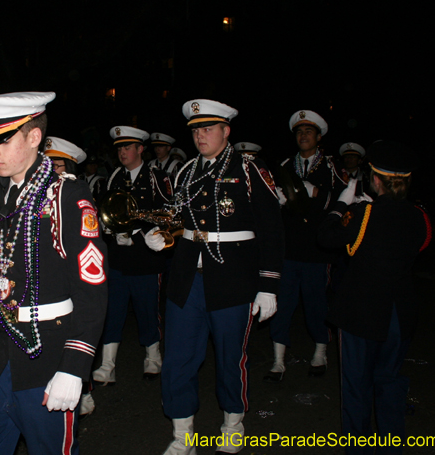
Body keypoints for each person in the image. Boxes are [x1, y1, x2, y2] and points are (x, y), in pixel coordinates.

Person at [0, 92, 108, 455]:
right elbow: (6, 266)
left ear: (34, 137)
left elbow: (92, 289)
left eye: (4, 140)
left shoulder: (65, 196)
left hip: (49, 353)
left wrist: (75, 365)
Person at [160, 100, 283, 455]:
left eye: (208, 128)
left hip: (233, 279)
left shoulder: (248, 168)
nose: (200, 135)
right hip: (187, 280)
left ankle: (233, 423)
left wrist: (268, 285)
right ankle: (183, 436)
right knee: (178, 358)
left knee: (230, 357)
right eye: (196, 130)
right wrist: (163, 236)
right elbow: (177, 219)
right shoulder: (185, 172)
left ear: (226, 131)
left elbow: (272, 229)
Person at [318, 141, 431, 455]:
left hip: (362, 312)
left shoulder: (363, 213)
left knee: (357, 388)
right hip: (400, 313)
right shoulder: (420, 216)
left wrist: (342, 205)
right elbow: (417, 247)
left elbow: (325, 237)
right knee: (390, 383)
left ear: (375, 179)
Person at [266, 110, 346, 382]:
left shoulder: (332, 166)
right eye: (299, 132)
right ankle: (278, 360)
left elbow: (346, 199)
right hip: (289, 248)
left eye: (308, 131)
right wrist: (275, 201)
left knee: (316, 304)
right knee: (282, 303)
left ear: (319, 137)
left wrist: (318, 193)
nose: (303, 136)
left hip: (317, 248)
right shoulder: (285, 165)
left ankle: (320, 352)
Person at [93, 126, 172, 386]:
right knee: (113, 310)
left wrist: (147, 232)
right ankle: (108, 364)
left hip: (145, 257)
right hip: (118, 256)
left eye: (127, 147)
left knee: (147, 309)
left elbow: (168, 212)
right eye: (119, 148)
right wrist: (107, 228)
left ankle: (153, 357)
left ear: (140, 149)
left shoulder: (156, 177)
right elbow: (105, 208)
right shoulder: (114, 176)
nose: (122, 152)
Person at [43, 136, 95, 416]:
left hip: (73, 281)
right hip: (51, 283)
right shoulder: (39, 194)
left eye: (57, 164)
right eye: (47, 163)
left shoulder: (76, 194)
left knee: (79, 332)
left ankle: (84, 388)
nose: (51, 169)